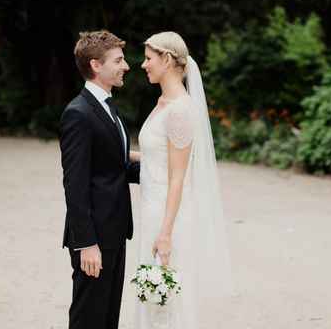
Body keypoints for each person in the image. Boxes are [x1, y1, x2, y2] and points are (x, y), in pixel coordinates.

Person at [133, 31, 233, 328]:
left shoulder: (179, 111)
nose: (143, 65)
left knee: (166, 299)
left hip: (168, 215)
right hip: (153, 209)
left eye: (149, 58)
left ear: (166, 59)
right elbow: (157, 156)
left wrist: (165, 234)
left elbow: (178, 176)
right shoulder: (164, 101)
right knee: (152, 298)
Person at [59, 30, 140, 329]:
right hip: (94, 237)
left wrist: (167, 168)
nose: (126, 66)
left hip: (115, 231)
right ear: (96, 65)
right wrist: (87, 244)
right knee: (88, 318)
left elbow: (116, 168)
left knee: (108, 318)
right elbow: (75, 185)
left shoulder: (109, 107)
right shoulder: (78, 114)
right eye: (118, 60)